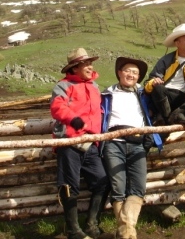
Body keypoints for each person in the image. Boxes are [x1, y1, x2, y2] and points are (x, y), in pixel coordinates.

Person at [51, 48, 109, 239]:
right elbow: (57, 107)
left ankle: (92, 225)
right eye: (85, 63)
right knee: (70, 185)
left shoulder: (94, 87)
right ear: (74, 68)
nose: (90, 66)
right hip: (69, 142)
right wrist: (73, 119)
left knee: (102, 181)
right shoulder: (63, 86)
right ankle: (73, 230)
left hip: (91, 144)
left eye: (90, 63)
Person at [101, 57, 162, 239]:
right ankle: (129, 233)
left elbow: (160, 103)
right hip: (114, 144)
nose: (132, 75)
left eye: (135, 73)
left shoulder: (143, 94)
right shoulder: (107, 94)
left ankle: (125, 230)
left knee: (138, 188)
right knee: (118, 188)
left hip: (137, 144)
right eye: (128, 71)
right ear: (119, 72)